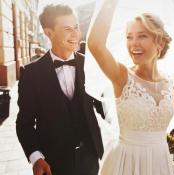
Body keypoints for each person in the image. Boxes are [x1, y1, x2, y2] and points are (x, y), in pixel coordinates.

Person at [87, 0, 174, 174]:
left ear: (160, 43)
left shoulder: (169, 82)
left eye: (142, 36)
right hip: (126, 163)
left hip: (159, 163)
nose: (133, 43)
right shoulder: (121, 76)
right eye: (129, 36)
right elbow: (96, 44)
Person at [16, 4, 104, 175]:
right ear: (49, 33)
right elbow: (24, 123)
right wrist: (36, 158)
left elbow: (104, 106)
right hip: (52, 162)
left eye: (76, 27)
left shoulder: (90, 65)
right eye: (67, 29)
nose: (75, 34)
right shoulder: (31, 74)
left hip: (90, 157)